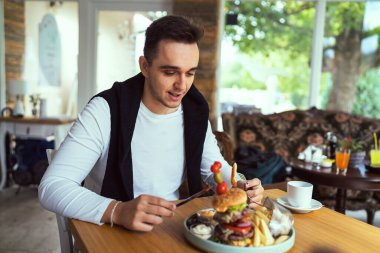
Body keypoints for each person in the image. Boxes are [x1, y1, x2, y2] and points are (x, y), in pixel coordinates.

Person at [38, 15, 264, 232]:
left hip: (170, 229)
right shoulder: (105, 109)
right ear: (145, 66)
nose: (182, 86)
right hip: (108, 230)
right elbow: (52, 186)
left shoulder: (195, 111)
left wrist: (240, 186)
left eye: (190, 73)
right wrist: (118, 211)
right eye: (170, 72)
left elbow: (213, 169)